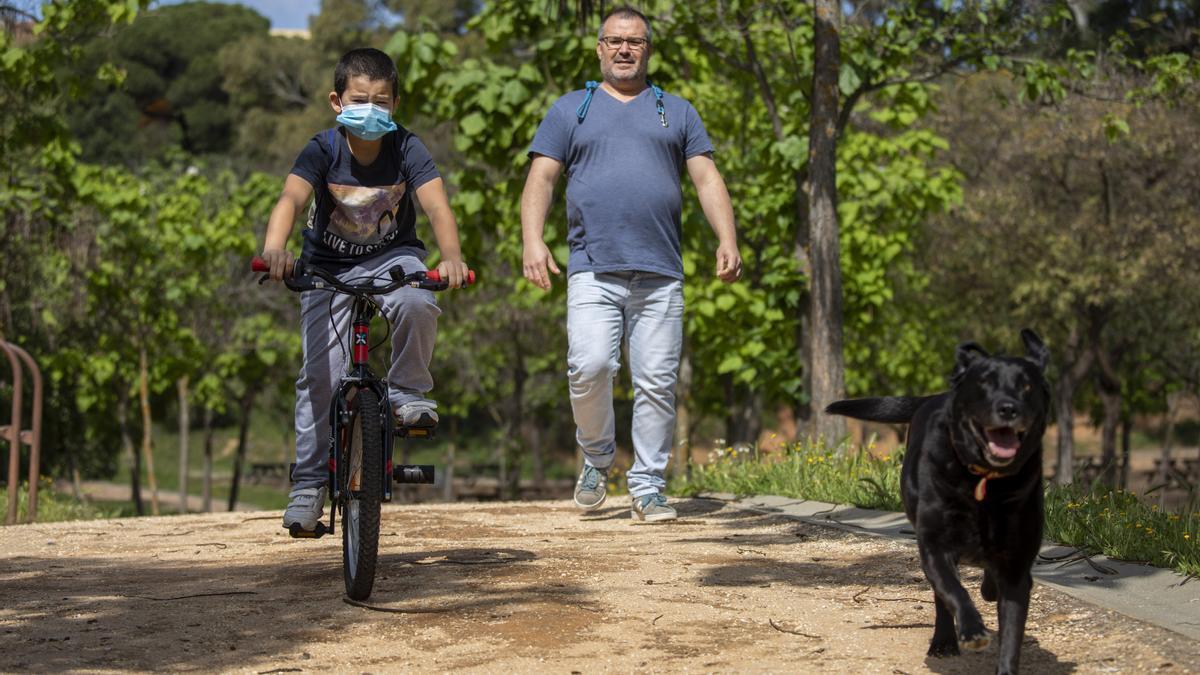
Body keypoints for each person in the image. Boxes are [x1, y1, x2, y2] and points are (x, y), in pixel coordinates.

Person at [520, 6, 742, 523]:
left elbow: (707, 179)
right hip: (593, 268)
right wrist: (533, 242)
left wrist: (726, 237)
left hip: (661, 271)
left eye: (635, 42)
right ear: (599, 48)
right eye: (615, 40)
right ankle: (597, 457)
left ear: (648, 49)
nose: (625, 49)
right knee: (590, 365)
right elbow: (541, 180)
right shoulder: (570, 109)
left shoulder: (676, 110)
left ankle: (647, 485)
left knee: (656, 382)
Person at [259, 47, 469, 532]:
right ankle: (309, 483)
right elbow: (290, 198)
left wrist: (451, 257)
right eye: (359, 99)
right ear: (337, 101)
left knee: (418, 300)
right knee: (320, 377)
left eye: (381, 101)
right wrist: (275, 249)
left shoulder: (407, 148)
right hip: (325, 268)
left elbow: (437, 207)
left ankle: (406, 392)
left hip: (392, 259)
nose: (370, 110)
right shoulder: (322, 149)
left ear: (395, 103)